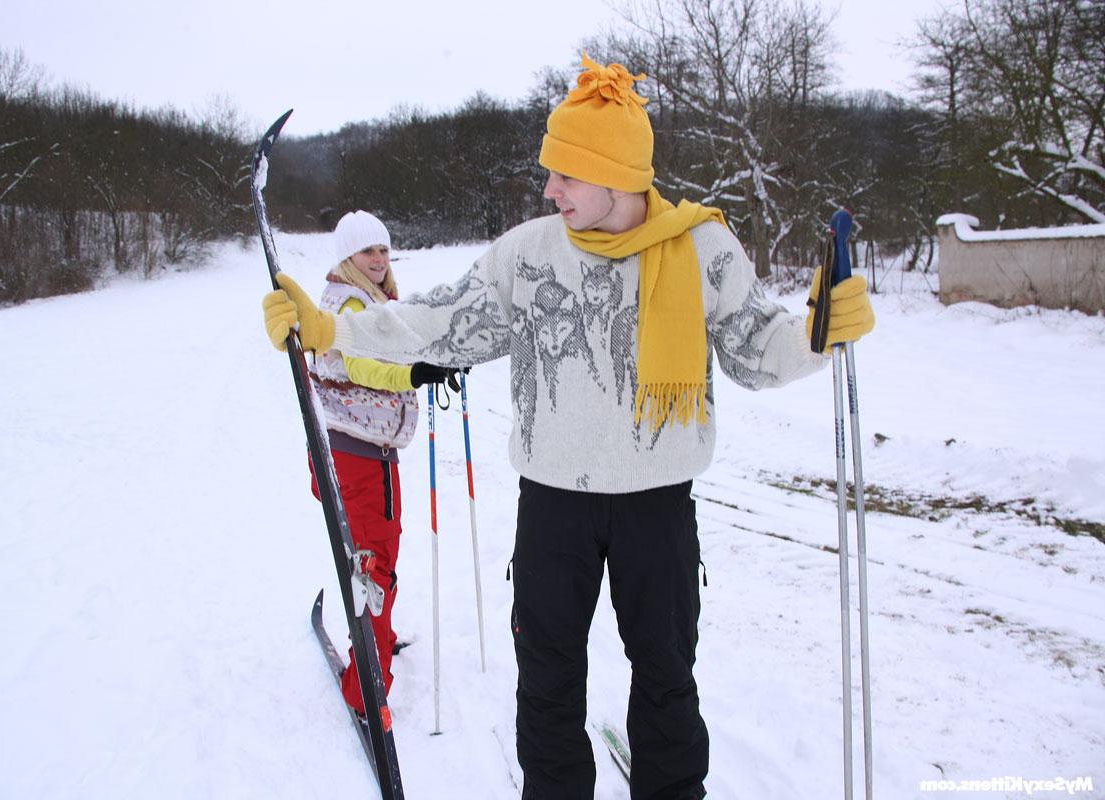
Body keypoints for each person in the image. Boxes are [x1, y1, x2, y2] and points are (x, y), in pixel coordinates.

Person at [262, 55, 873, 800]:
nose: (549, 189)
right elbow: (439, 325)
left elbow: (757, 350)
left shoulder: (702, 249)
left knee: (667, 677)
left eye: (566, 174)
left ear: (618, 176)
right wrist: (332, 328)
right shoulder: (529, 254)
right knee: (547, 682)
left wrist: (819, 334)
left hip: (658, 505)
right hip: (554, 507)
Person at [266, 209, 460, 718]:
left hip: (357, 452)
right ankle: (367, 690)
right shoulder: (349, 304)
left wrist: (436, 353)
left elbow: (400, 339)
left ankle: (377, 642)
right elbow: (361, 366)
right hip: (359, 458)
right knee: (375, 567)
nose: (378, 259)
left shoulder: (367, 298)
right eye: (367, 251)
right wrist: (414, 374)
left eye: (382, 249)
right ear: (347, 257)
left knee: (375, 559)